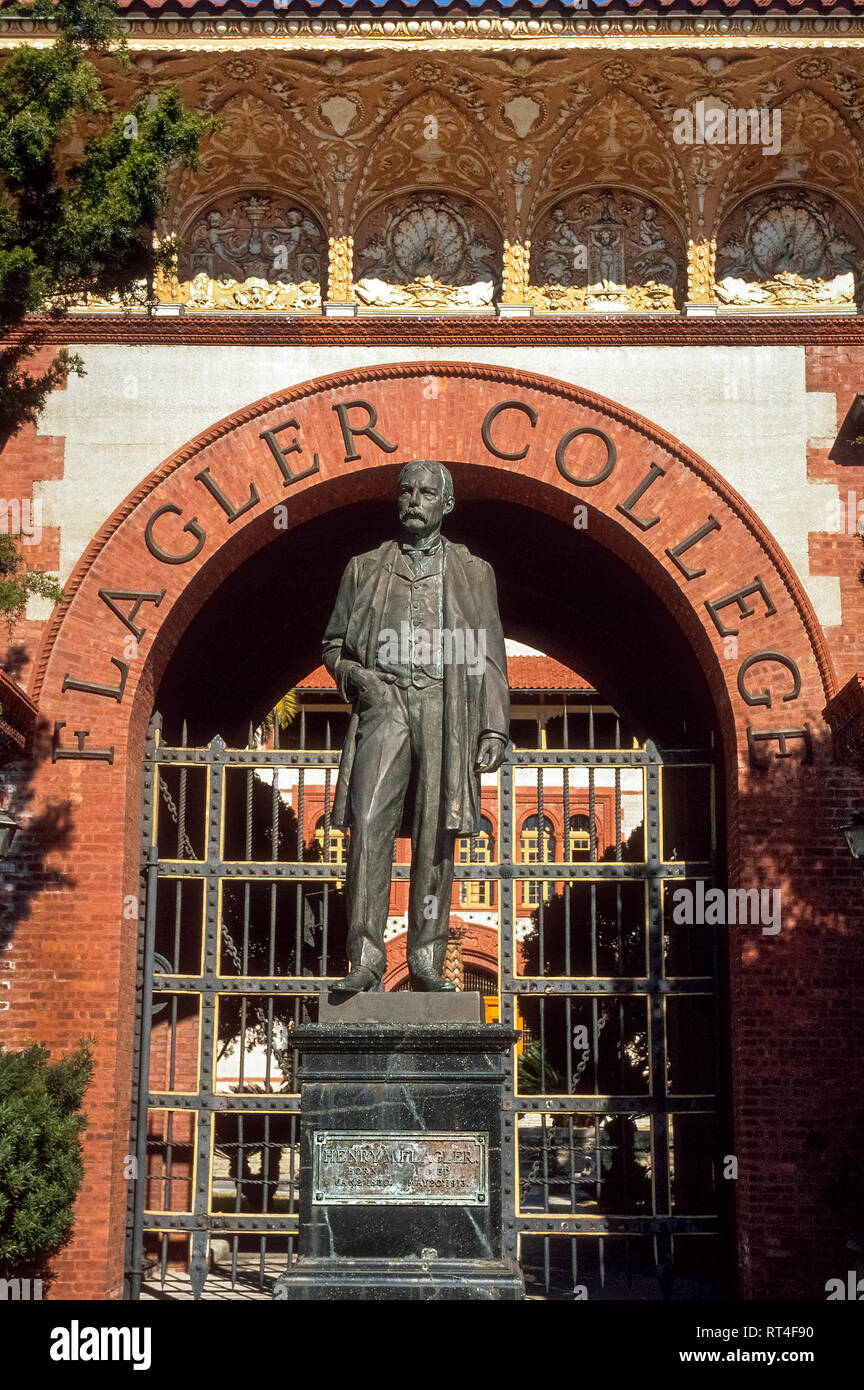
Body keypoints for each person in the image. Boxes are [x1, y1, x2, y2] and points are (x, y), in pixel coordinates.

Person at [322, 459, 509, 992]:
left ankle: (425, 958)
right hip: (384, 704)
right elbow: (334, 644)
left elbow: (490, 653)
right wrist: (358, 677)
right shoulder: (363, 568)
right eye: (406, 491)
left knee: (435, 833)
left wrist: (493, 727)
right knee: (368, 825)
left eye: (427, 493)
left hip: (444, 706)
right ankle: (364, 957)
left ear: (446, 504)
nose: (414, 500)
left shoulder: (475, 572)